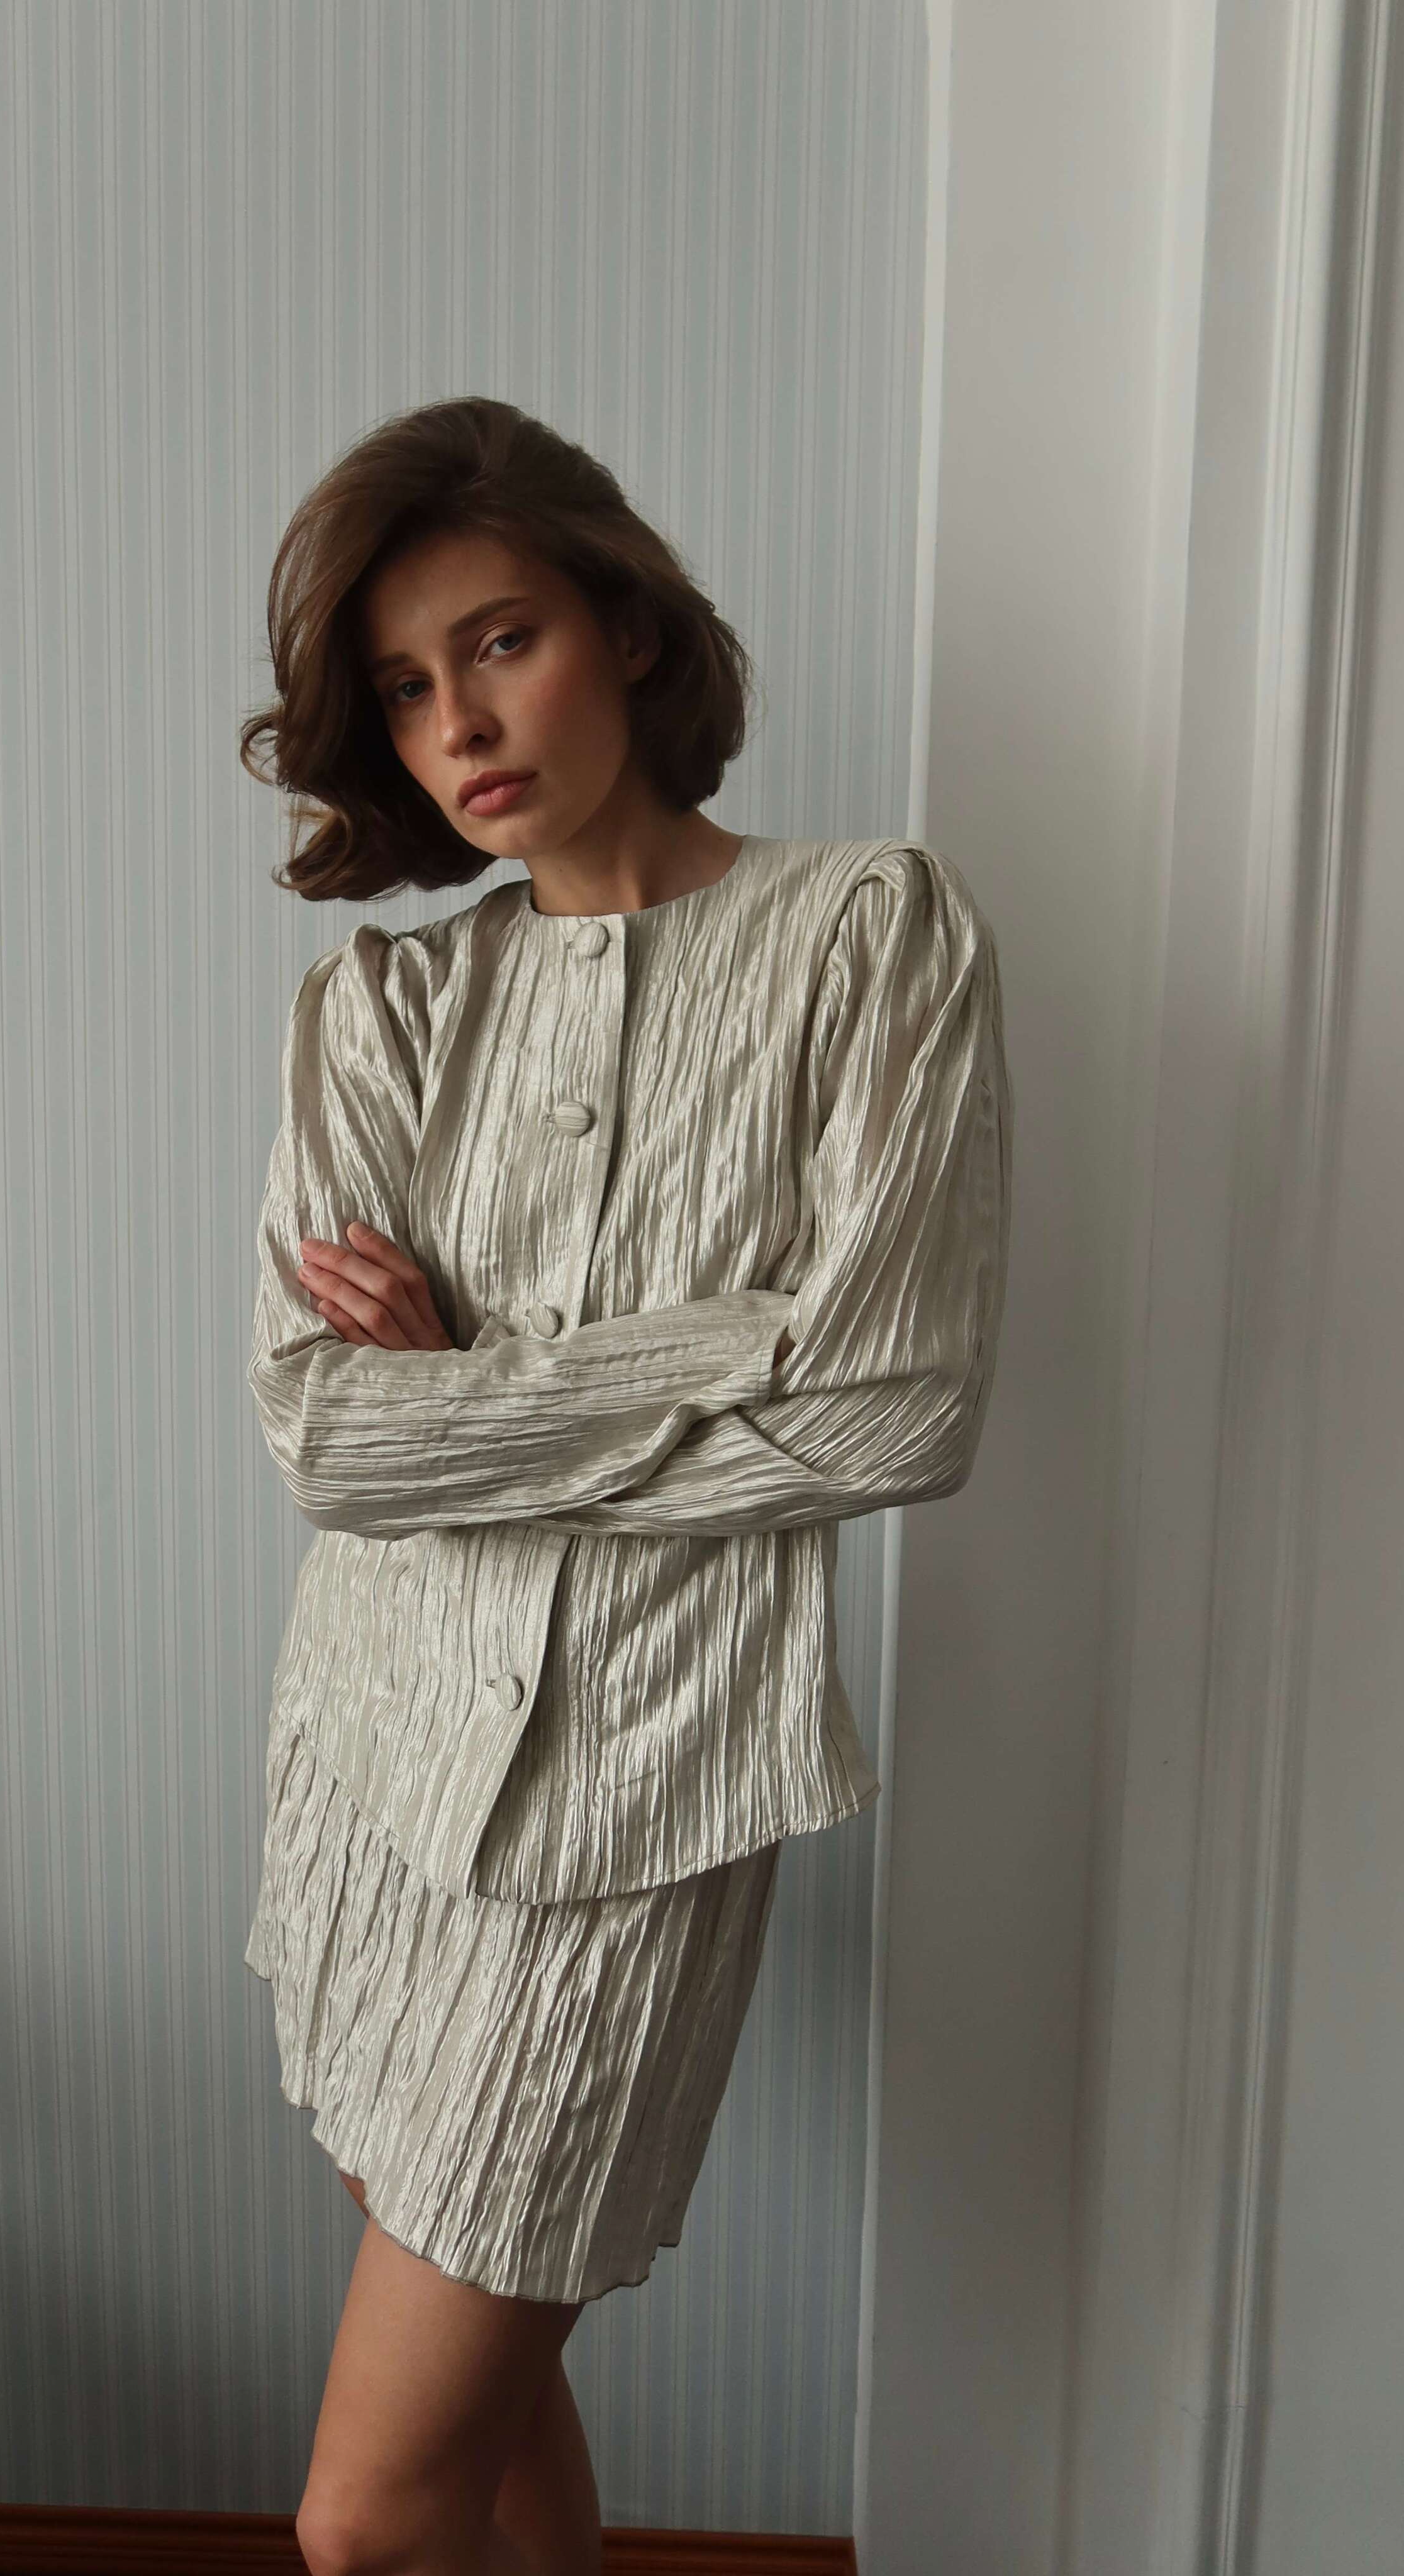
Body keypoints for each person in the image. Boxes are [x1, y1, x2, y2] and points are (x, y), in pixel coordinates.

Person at [238, 396, 1013, 2576]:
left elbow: (896, 1413)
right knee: (481, 2439)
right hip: (368, 1770)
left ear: (632, 631)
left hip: (638, 1808)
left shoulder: (869, 935)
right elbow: (324, 1434)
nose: (460, 725)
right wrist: (733, 1339)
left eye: (501, 641)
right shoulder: (382, 1011)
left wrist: (476, 1394)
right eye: (406, 688)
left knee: (364, 2521)